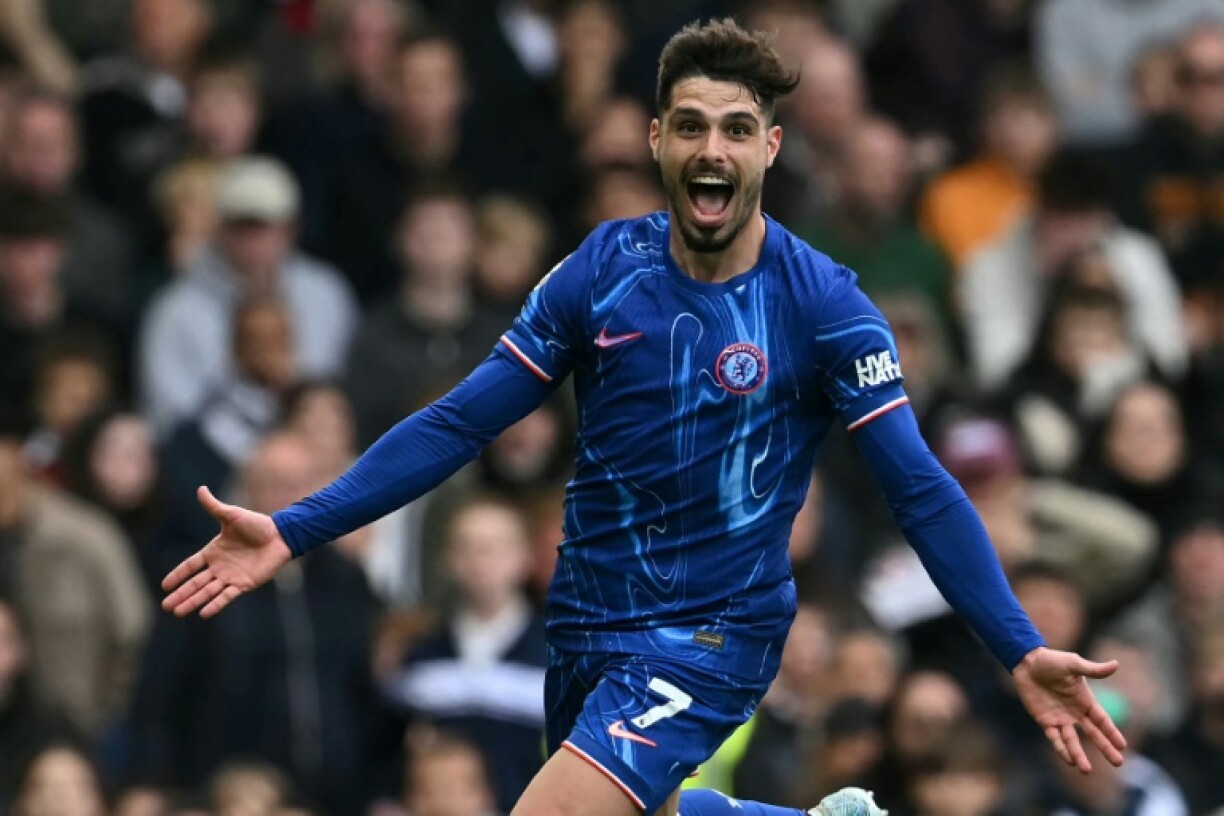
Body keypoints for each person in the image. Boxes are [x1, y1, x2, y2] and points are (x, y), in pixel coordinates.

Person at [162, 19, 1127, 816]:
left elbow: (918, 486)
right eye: (694, 126)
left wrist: (1015, 642)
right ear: (657, 138)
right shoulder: (602, 269)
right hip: (584, 623)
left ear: (771, 148)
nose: (715, 150)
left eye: (739, 129)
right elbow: (461, 423)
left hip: (712, 636)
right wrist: (295, 528)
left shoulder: (824, 306)